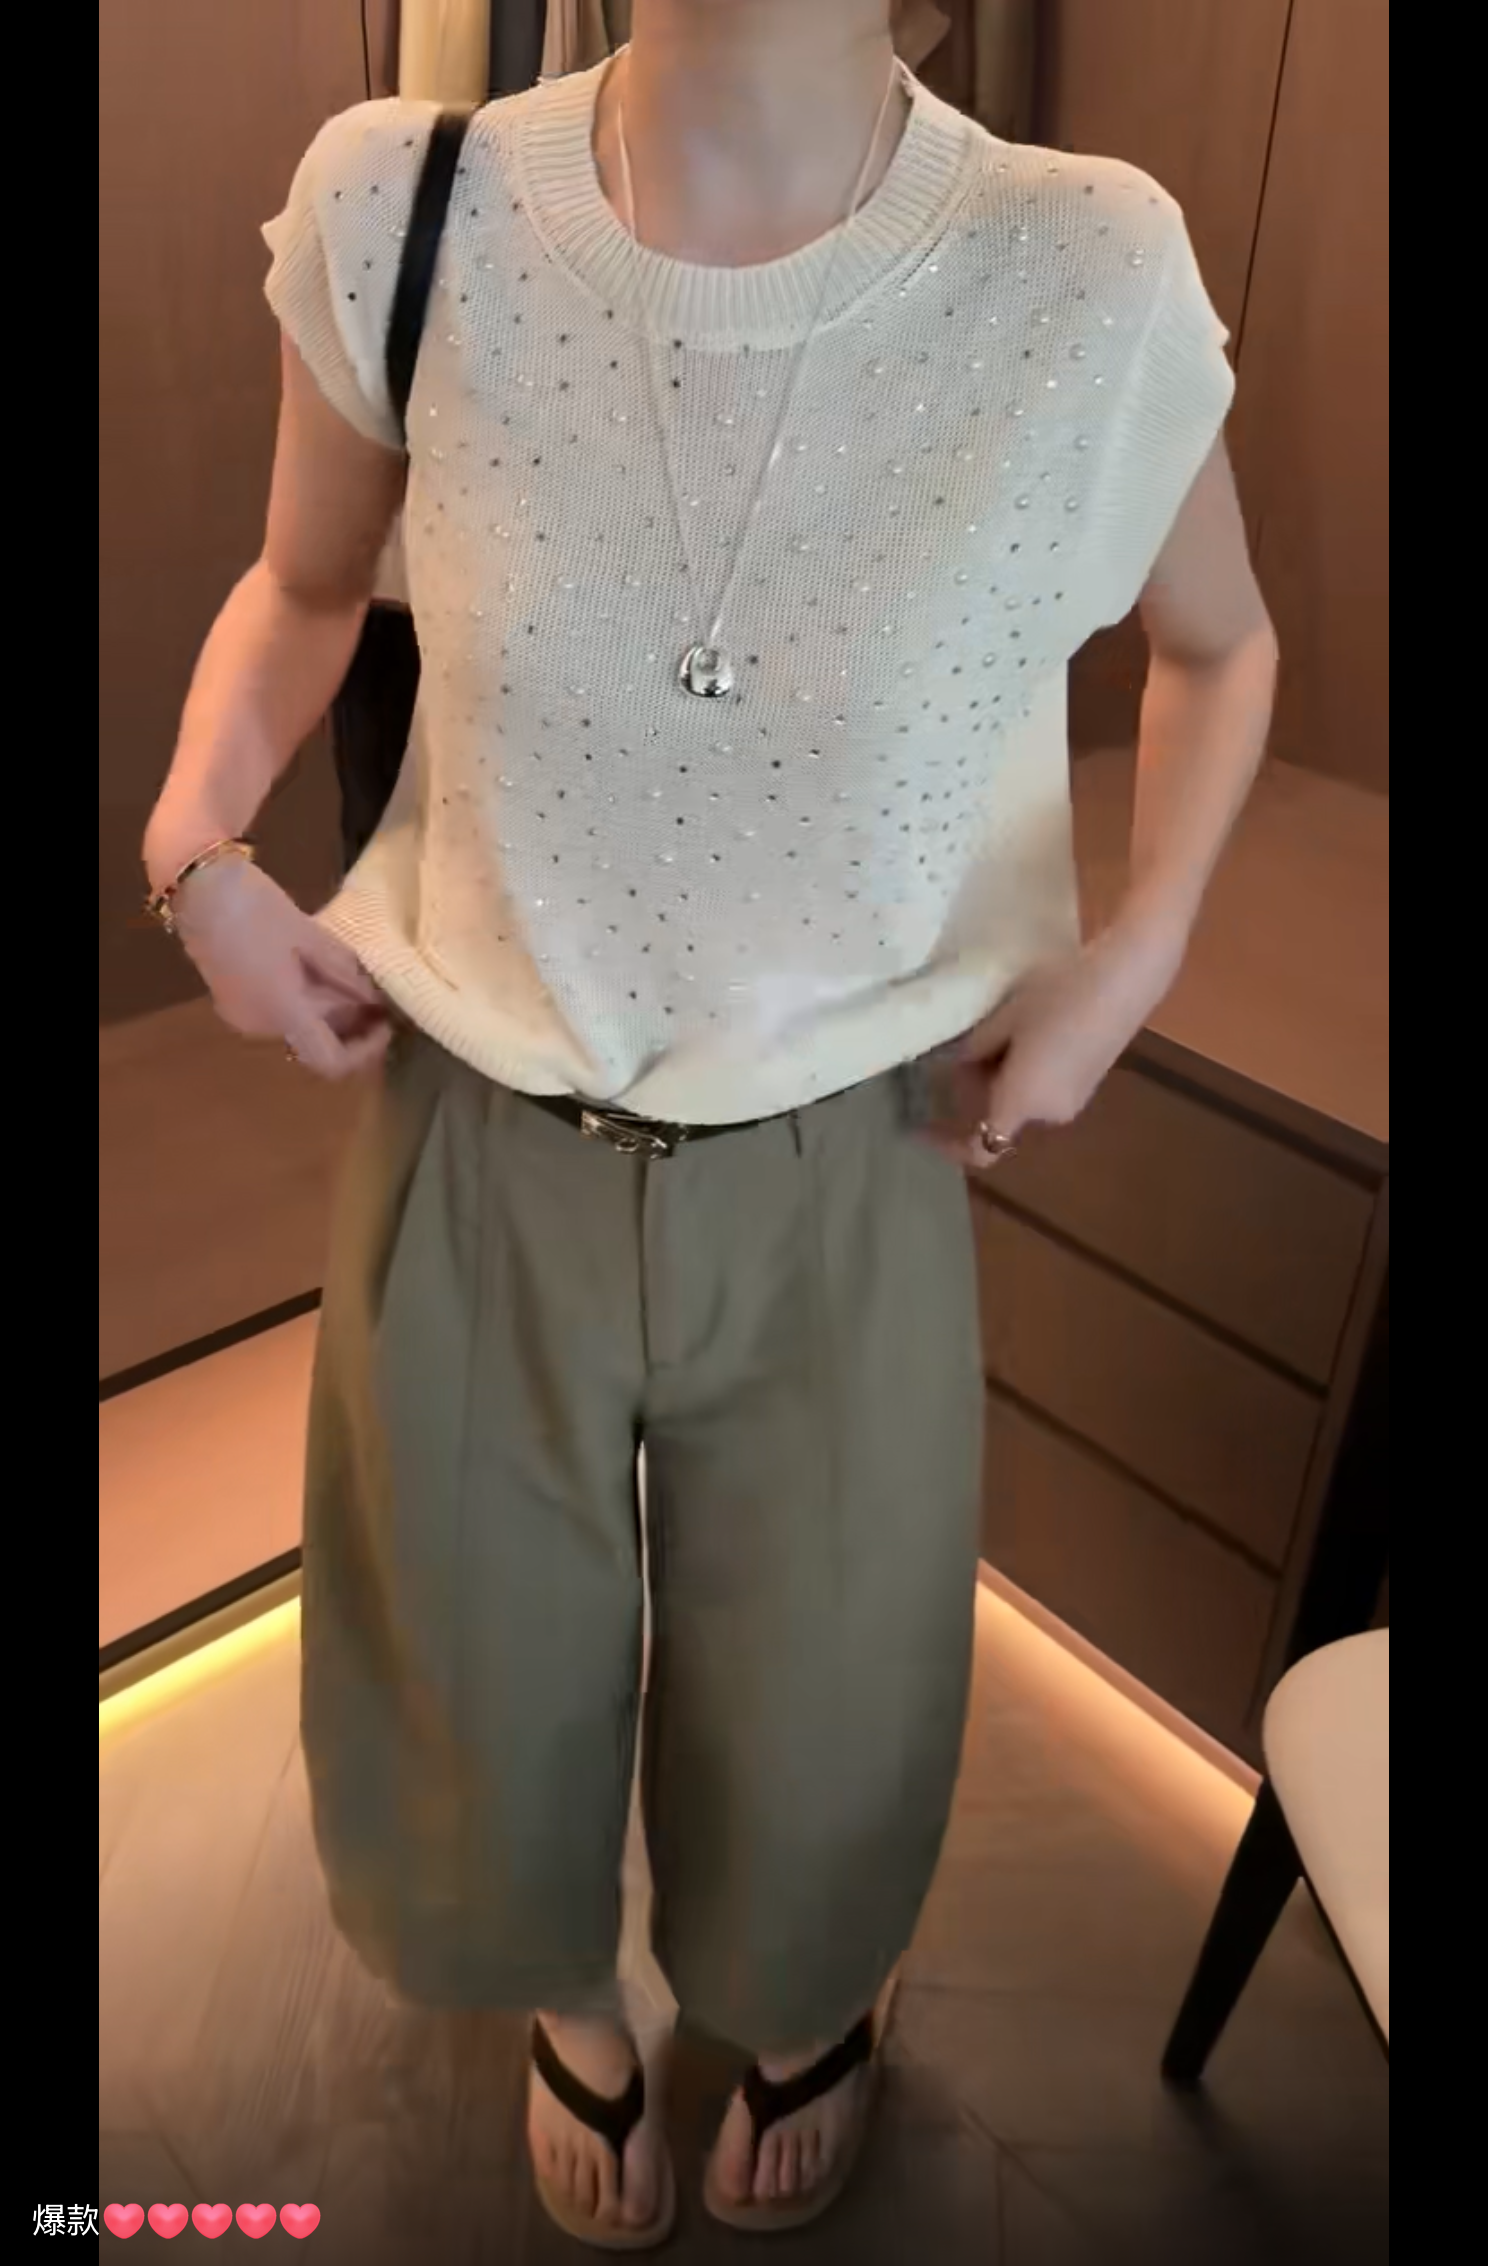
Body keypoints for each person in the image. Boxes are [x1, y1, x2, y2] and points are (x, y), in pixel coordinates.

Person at [142, 0, 1277, 2247]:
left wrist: (1133, 958)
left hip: (859, 1145)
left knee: (834, 1675)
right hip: (479, 1122)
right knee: (465, 1654)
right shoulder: (410, 205)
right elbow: (304, 582)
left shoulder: (1080, 265)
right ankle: (563, 1992)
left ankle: (802, 1998)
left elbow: (1223, 646)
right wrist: (195, 846)